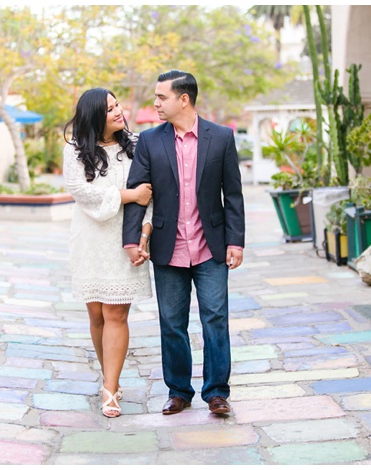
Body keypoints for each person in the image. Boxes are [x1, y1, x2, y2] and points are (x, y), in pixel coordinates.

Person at [123, 70, 245, 416]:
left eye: (161, 97)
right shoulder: (149, 141)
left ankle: (217, 392)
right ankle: (178, 391)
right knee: (172, 322)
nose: (156, 103)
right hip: (168, 245)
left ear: (183, 99)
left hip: (211, 246)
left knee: (215, 318)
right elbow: (139, 192)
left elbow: (232, 194)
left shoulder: (221, 137)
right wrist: (131, 239)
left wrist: (236, 241)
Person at [63, 88, 153, 418]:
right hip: (89, 238)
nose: (118, 111)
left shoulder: (138, 146)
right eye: (109, 108)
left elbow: (152, 193)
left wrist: (144, 234)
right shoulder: (74, 151)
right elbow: (80, 191)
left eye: (117, 105)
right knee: (97, 315)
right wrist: (128, 195)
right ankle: (108, 376)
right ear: (94, 116)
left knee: (116, 314)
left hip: (125, 237)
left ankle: (110, 388)